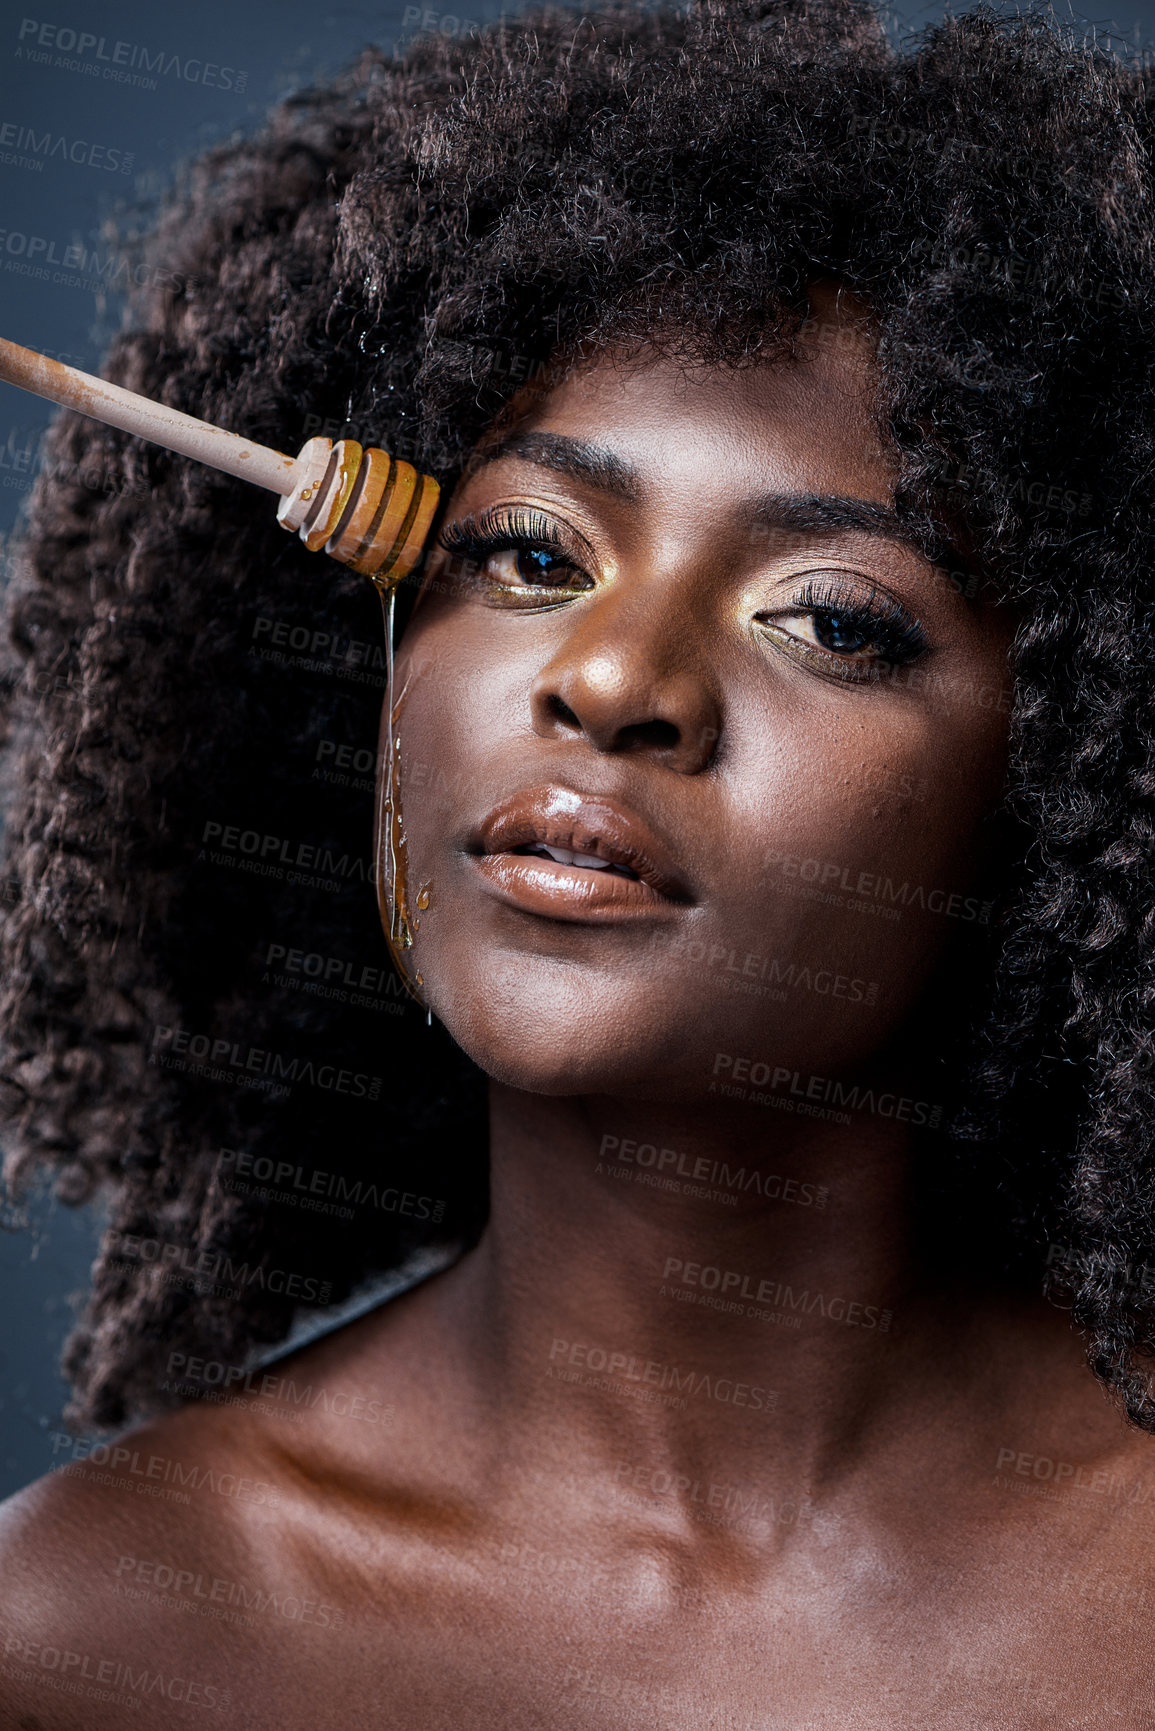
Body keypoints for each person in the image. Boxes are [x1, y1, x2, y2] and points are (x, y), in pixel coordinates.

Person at [0, 0, 1153, 1721]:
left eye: (832, 621)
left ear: (1073, 773)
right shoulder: (90, 1634)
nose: (611, 680)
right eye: (529, 553)